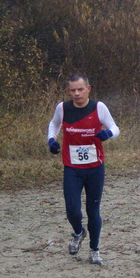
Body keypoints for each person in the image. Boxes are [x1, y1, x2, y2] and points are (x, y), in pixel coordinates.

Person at [47, 73, 120, 265]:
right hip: (72, 167)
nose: (77, 93)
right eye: (73, 90)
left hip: (95, 168)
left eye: (80, 89)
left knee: (93, 210)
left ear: (88, 89)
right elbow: (54, 124)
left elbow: (115, 128)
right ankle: (79, 232)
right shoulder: (62, 108)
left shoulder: (99, 107)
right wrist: (51, 140)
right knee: (72, 209)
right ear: (69, 91)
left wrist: (108, 133)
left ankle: (94, 250)